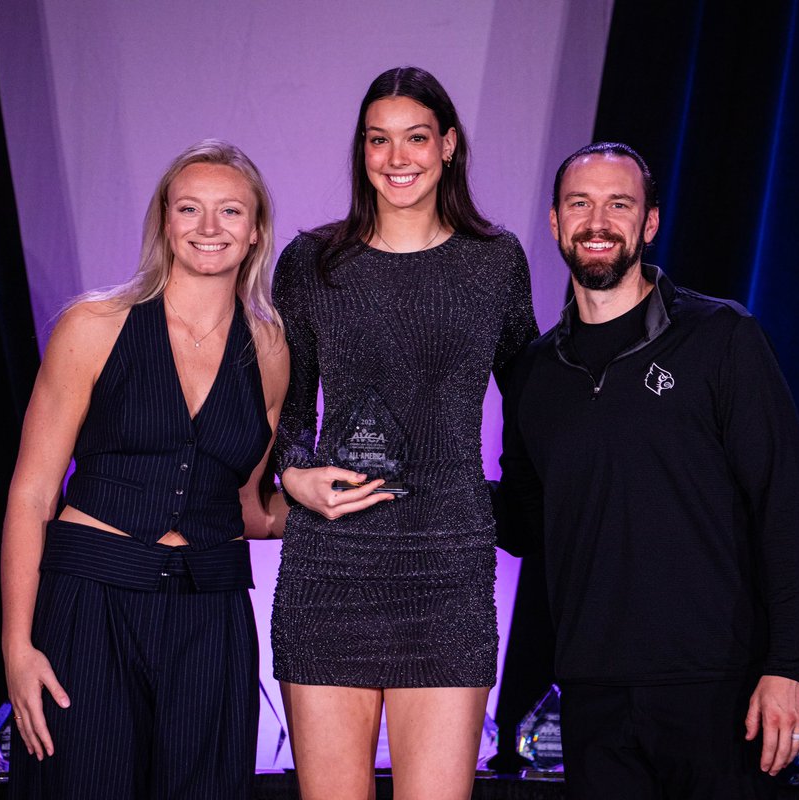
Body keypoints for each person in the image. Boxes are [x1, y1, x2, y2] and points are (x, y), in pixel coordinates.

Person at [496, 142, 799, 798]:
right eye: (579, 204)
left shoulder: (720, 337)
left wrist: (789, 666)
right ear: (555, 223)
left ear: (648, 225)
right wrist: (424, 482)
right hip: (592, 695)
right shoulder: (532, 372)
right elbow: (528, 525)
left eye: (619, 204)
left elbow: (782, 506)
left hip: (718, 690)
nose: (598, 221)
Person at [271, 66, 537, 799]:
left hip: (449, 570)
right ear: (362, 152)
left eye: (415, 138)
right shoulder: (312, 263)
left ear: (448, 145)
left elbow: (536, 400)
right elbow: (287, 415)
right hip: (332, 565)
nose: (397, 158)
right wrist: (292, 476)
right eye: (377, 140)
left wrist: (503, 504)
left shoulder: (495, 261)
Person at [1, 140, 289, 799]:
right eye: (190, 209)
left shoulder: (270, 349)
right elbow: (33, 493)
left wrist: (321, 505)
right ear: (165, 221)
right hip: (92, 603)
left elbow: (246, 505)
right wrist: (17, 647)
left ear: (255, 232)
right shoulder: (93, 326)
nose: (209, 228)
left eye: (230, 212)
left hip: (211, 614)